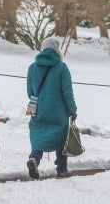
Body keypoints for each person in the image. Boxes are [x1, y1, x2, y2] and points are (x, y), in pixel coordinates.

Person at [26, 36, 77, 179]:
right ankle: (62, 169)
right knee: (61, 137)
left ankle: (34, 158)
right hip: (58, 110)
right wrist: (72, 110)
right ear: (57, 50)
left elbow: (30, 92)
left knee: (38, 134)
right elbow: (67, 92)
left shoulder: (32, 67)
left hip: (38, 108)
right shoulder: (61, 67)